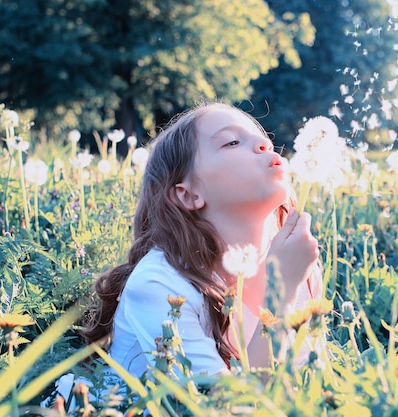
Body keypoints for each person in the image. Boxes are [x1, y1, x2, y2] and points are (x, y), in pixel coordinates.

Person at [82, 102, 322, 378]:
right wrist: (282, 293)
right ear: (188, 194)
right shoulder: (159, 285)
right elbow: (225, 407)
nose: (265, 143)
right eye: (232, 142)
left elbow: (306, 386)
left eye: (263, 138)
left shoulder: (298, 263)